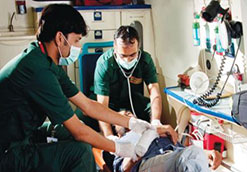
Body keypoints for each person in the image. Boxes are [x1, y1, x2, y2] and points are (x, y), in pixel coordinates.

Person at [0, 4, 151, 172]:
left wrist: (132, 122)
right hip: (7, 151)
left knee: (70, 131)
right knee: (81, 152)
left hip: (22, 134)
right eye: (77, 40)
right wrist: (120, 148)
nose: (78, 46)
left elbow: (88, 105)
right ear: (59, 38)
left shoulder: (44, 60)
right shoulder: (38, 71)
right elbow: (80, 132)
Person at [93, 25, 163, 137]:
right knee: (87, 118)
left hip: (134, 102)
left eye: (132, 55)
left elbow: (155, 93)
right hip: (110, 104)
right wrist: (110, 137)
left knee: (153, 108)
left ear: (138, 47)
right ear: (114, 47)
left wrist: (155, 122)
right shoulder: (104, 64)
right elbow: (102, 106)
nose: (127, 59)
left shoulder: (145, 60)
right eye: (123, 55)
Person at [112, 120, 222, 172]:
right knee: (193, 154)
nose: (127, 115)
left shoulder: (155, 129)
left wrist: (207, 153)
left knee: (194, 156)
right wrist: (152, 133)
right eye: (123, 116)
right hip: (146, 164)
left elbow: (181, 151)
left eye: (128, 114)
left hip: (174, 157)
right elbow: (124, 169)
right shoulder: (123, 140)